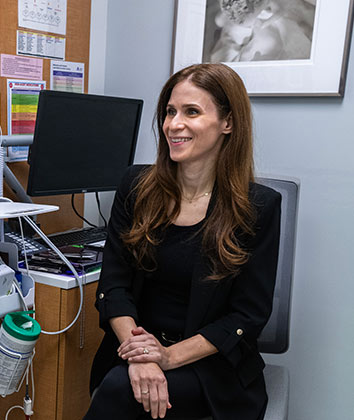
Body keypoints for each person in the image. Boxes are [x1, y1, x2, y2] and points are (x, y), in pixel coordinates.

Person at [83, 63, 281, 420]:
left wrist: (168, 356)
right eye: (170, 112)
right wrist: (142, 355)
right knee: (121, 386)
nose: (174, 124)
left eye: (192, 112)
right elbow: (113, 284)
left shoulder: (258, 208)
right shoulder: (136, 186)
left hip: (208, 364)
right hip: (135, 348)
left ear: (228, 123)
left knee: (119, 391)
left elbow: (248, 315)